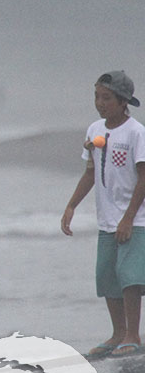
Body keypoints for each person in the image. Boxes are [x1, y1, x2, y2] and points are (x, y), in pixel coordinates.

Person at [61, 70, 145, 358]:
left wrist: (128, 218)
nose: (100, 103)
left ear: (123, 101)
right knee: (107, 275)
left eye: (106, 98)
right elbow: (91, 172)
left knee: (130, 276)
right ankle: (117, 334)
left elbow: (143, 177)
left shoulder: (136, 132)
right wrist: (71, 205)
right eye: (97, 97)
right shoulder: (95, 130)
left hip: (135, 220)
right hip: (107, 219)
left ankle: (133, 334)